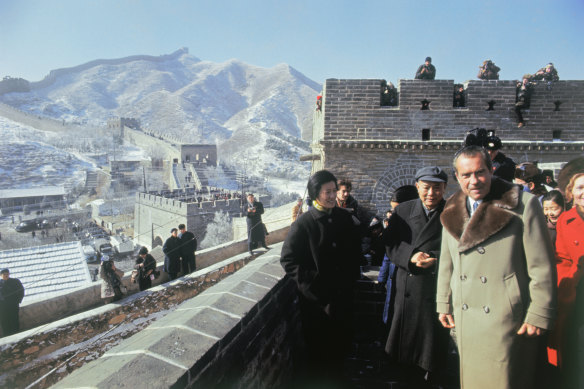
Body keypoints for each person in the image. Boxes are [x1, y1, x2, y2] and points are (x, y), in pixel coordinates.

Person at [436, 145, 557, 389]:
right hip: (465, 314)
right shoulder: (451, 208)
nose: (474, 181)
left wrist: (539, 314)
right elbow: (447, 261)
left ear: (491, 170)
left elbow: (542, 266)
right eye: (466, 175)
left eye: (480, 172)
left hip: (506, 317)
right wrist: (443, 302)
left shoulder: (524, 204)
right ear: (457, 177)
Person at [280, 170, 361, 385]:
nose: (333, 195)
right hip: (317, 303)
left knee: (341, 350)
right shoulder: (304, 223)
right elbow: (288, 260)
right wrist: (312, 284)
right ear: (316, 193)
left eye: (334, 191)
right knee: (319, 354)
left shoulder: (345, 219)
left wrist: (351, 278)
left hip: (343, 298)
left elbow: (355, 253)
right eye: (328, 192)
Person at [384, 166, 450, 386]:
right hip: (406, 290)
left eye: (437, 188)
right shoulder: (403, 211)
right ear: (417, 186)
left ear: (445, 188)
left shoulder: (452, 212)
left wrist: (436, 258)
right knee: (404, 351)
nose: (431, 193)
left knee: (430, 352)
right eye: (426, 187)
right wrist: (411, 256)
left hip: (435, 289)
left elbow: (461, 248)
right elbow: (390, 243)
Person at [547, 173, 584, 388]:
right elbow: (561, 258)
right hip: (576, 294)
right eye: (579, 188)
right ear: (570, 193)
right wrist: (566, 286)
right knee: (575, 351)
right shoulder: (565, 219)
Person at [0, 269, 25, 337]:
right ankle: (7, 335)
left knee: (14, 319)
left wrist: (18, 301)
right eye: (4, 274)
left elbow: (21, 290)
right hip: (2, 307)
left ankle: (16, 334)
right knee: (4, 321)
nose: (6, 275)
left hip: (13, 304)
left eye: (7, 274)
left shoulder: (15, 281)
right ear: (1, 275)